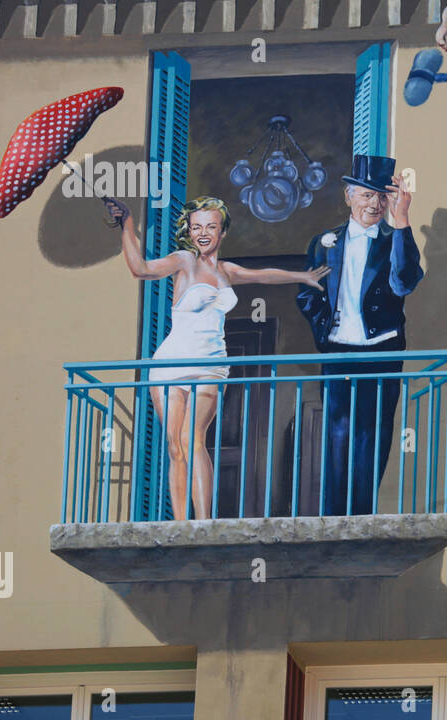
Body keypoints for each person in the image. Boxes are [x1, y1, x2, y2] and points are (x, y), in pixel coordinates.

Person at [106, 195, 329, 521]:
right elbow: (140, 270)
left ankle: (203, 522)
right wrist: (127, 224)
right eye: (197, 227)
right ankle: (181, 524)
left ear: (223, 231)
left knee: (194, 438)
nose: (203, 233)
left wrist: (302, 277)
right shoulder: (184, 261)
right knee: (175, 446)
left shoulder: (227, 270)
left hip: (211, 363)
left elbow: (264, 275)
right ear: (190, 231)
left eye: (211, 226)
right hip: (171, 362)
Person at [296, 155, 424, 516]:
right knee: (338, 435)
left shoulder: (393, 237)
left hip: (381, 349)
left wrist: (401, 224)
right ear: (349, 196)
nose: (374, 204)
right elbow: (306, 293)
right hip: (338, 351)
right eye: (367, 195)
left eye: (382, 197)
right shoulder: (325, 242)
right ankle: (336, 516)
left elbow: (404, 282)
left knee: (374, 434)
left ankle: (361, 515)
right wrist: (325, 327)